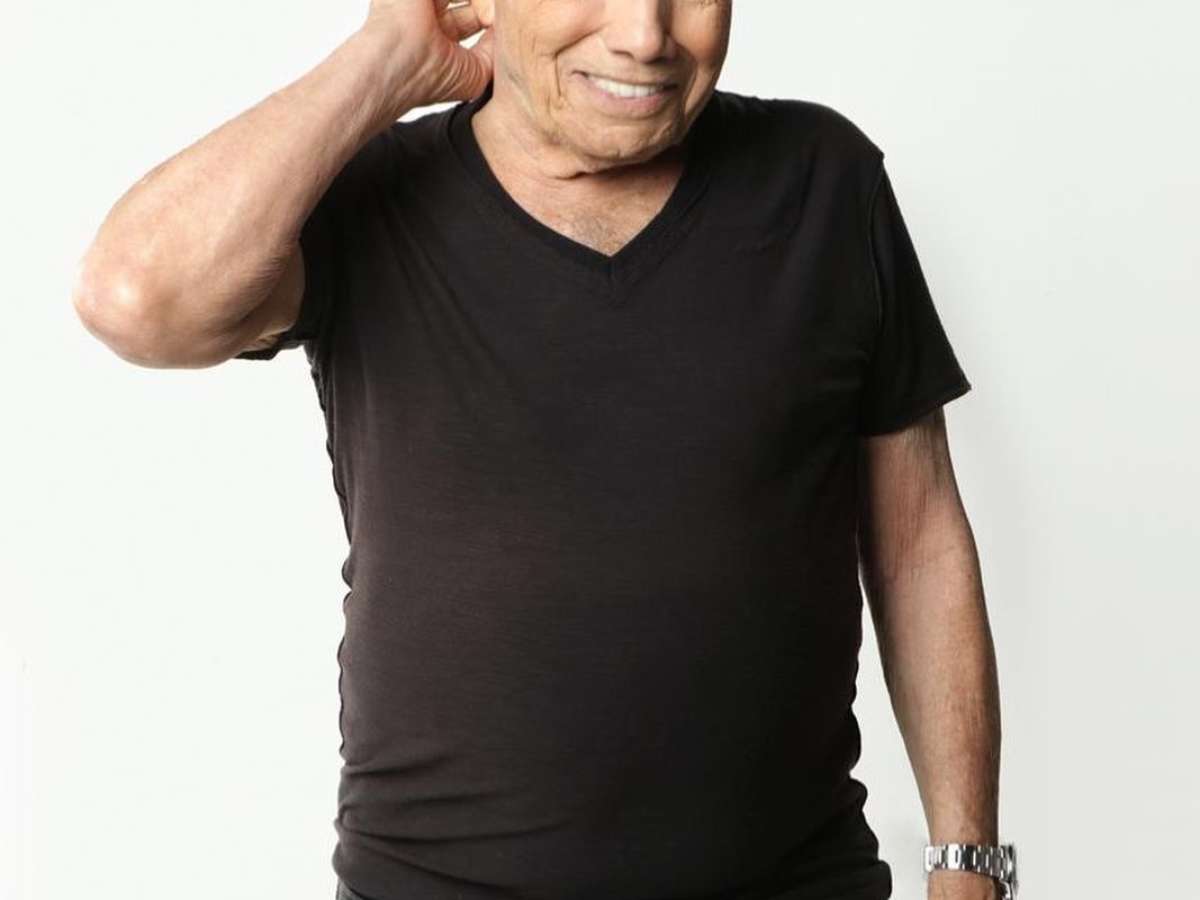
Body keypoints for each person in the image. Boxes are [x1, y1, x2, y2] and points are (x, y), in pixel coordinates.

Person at [72, 2, 1007, 899]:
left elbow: (919, 541)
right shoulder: (369, 196)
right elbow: (134, 300)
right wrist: (381, 60)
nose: (644, 34)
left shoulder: (823, 181)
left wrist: (966, 862)